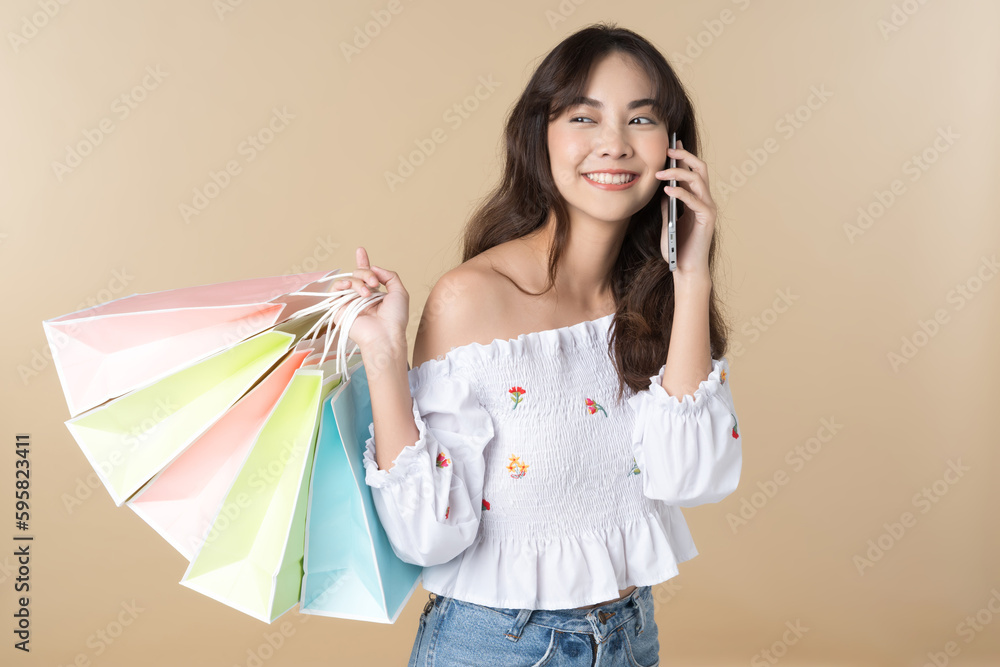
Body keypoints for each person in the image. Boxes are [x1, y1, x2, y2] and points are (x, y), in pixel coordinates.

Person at [330, 22, 743, 667]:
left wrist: (691, 273)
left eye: (641, 120)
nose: (613, 144)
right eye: (584, 116)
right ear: (540, 137)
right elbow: (427, 538)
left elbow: (690, 477)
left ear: (674, 148)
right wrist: (383, 361)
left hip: (630, 635)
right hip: (499, 643)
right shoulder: (473, 297)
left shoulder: (655, 301)